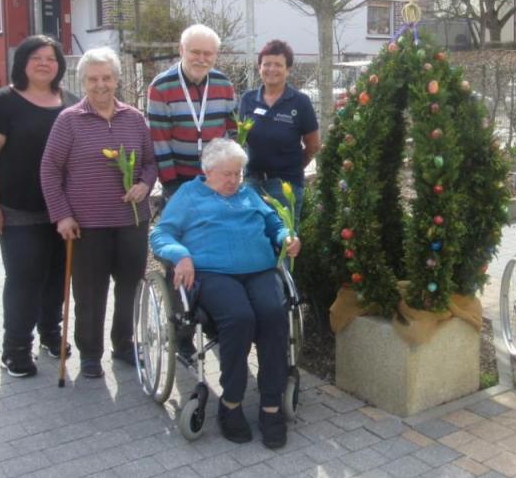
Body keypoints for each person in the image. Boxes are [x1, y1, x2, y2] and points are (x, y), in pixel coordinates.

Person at [150, 138, 301, 448]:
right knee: (239, 316)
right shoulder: (189, 195)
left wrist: (286, 235)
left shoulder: (248, 193)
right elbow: (162, 234)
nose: (234, 180)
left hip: (259, 270)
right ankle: (231, 403)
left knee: (274, 315)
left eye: (238, 173)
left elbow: (272, 222)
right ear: (208, 171)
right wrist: (180, 254)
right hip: (213, 273)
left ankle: (270, 406)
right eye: (227, 174)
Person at [40, 47, 157, 379]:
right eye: (93, 79)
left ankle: (123, 345)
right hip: (86, 225)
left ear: (117, 80)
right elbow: (49, 170)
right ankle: (91, 354)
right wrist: (62, 215)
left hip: (131, 221)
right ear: (84, 82)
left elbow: (150, 163)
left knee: (128, 288)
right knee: (89, 292)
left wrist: (145, 185)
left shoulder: (134, 118)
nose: (101, 84)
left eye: (106, 77)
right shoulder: (69, 120)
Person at [0, 35, 79, 377]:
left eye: (51, 57)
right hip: (19, 210)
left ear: (60, 65)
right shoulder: (2, 103)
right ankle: (15, 348)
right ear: (23, 63)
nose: (45, 63)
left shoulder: (70, 102)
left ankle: (50, 334)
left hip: (62, 211)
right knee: (24, 278)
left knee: (58, 278)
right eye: (37, 57)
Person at [148, 24, 237, 200]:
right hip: (179, 181)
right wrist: (170, 183)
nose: (201, 59)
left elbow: (233, 131)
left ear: (215, 55)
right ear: (182, 50)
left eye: (208, 53)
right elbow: (159, 140)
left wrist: (230, 173)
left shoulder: (224, 84)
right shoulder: (161, 87)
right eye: (195, 52)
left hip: (218, 178)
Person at [239, 40, 320, 218]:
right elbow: (238, 139)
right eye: (266, 64)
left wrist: (295, 168)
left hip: (285, 185)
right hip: (252, 183)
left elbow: (313, 144)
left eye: (278, 65)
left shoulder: (300, 102)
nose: (271, 69)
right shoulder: (248, 100)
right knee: (252, 237)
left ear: (288, 69)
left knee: (284, 242)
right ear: (259, 67)